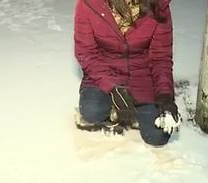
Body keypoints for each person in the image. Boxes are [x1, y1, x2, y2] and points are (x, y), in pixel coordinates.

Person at [74, 0, 180, 146]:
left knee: (158, 135)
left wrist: (165, 96)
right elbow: (86, 53)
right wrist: (111, 87)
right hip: (103, 71)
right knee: (92, 110)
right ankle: (115, 108)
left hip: (141, 75)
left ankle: (129, 111)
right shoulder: (89, 4)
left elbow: (161, 58)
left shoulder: (158, 6)